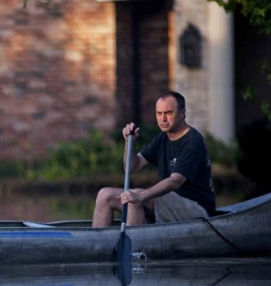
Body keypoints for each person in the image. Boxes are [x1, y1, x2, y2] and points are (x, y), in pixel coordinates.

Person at [92, 91, 216, 227]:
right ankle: (97, 246)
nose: (162, 119)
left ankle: (134, 246)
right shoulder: (162, 138)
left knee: (136, 197)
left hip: (196, 209)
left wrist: (141, 196)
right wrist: (129, 142)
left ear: (182, 113)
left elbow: (176, 181)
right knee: (105, 195)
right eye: (159, 114)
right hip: (168, 204)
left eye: (168, 113)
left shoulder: (193, 142)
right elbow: (132, 166)